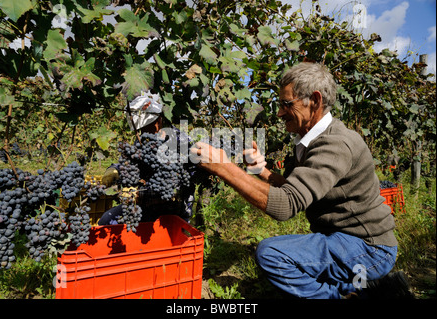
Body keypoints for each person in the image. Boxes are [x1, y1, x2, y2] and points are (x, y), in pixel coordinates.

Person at [190, 62, 413, 299]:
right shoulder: (310, 139)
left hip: (369, 249)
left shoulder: (335, 144)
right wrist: (263, 173)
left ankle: (347, 295)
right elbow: (299, 190)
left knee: (271, 254)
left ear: (314, 101)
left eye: (287, 104)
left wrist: (223, 167)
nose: (279, 112)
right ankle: (369, 290)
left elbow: (286, 205)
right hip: (346, 241)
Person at [98, 91, 194, 225]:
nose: (143, 133)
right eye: (141, 129)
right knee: (107, 220)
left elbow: (180, 183)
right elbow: (132, 163)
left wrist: (139, 193)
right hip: (146, 209)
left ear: (159, 120)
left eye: (147, 127)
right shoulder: (143, 141)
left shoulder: (179, 141)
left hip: (174, 211)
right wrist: (115, 169)